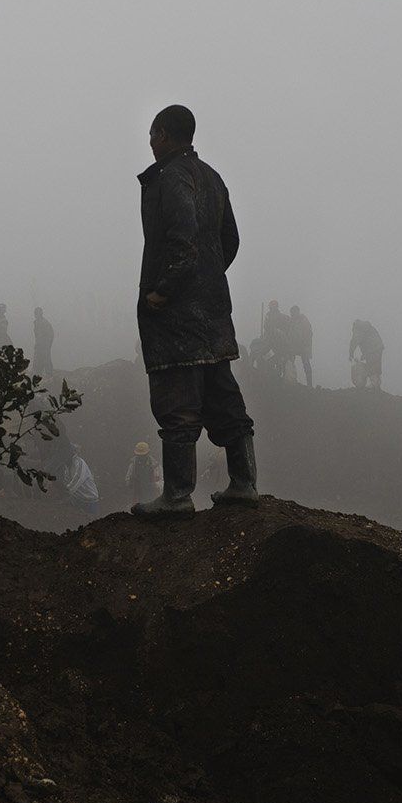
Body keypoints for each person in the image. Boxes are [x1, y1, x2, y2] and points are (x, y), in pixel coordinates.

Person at [131, 104, 257, 516]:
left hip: (177, 321)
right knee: (225, 400)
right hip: (214, 315)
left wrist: (163, 293)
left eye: (152, 135)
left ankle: (177, 496)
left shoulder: (170, 177)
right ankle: (243, 483)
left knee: (177, 406)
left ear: (163, 134)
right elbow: (230, 241)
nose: (150, 143)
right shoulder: (213, 178)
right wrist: (206, 281)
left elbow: (182, 243)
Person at [348, 319, 384, 390]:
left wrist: (351, 353)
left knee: (371, 365)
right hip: (379, 348)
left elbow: (354, 341)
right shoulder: (368, 328)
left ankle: (374, 386)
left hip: (371, 350)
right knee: (376, 365)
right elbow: (369, 340)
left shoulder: (358, 329)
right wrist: (365, 354)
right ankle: (377, 385)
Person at [124, 442, 161, 506]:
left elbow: (162, 482)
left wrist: (154, 485)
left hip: (152, 497)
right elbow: (127, 479)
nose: (141, 457)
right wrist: (131, 482)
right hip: (138, 497)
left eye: (143, 455)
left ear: (148, 453)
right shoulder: (133, 465)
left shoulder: (155, 465)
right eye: (139, 455)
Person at [289, 305, 314, 387]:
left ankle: (309, 384)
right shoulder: (291, 321)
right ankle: (290, 379)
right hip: (294, 345)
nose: (292, 314)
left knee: (306, 363)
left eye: (294, 312)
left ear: (297, 312)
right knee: (290, 362)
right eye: (292, 313)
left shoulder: (303, 320)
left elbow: (309, 333)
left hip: (303, 346)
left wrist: (306, 344)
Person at [32, 306, 55, 378]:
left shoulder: (45, 323)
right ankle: (38, 377)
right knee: (37, 363)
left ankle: (50, 376)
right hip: (39, 346)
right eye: (35, 313)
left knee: (46, 361)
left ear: (41, 314)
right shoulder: (36, 323)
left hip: (44, 346)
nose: (36, 315)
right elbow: (37, 336)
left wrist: (47, 345)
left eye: (37, 313)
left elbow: (51, 335)